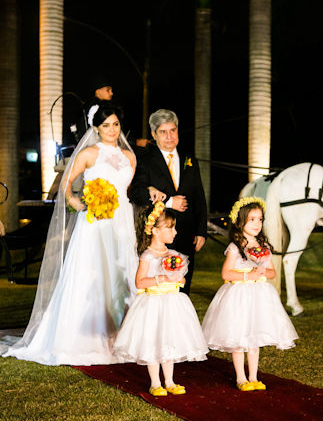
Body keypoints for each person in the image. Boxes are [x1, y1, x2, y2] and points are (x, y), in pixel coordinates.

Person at [0, 104, 139, 364]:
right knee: (94, 275)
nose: (111, 130)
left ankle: (123, 334)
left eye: (115, 124)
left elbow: (129, 190)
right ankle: (89, 337)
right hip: (94, 224)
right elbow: (67, 182)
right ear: (96, 128)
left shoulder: (129, 156)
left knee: (121, 274)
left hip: (121, 221)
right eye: (105, 126)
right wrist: (75, 201)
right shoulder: (89, 153)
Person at [201, 197, 298, 391]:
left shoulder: (264, 246)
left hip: (259, 296)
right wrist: (248, 274)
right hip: (239, 296)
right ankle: (241, 378)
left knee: (254, 338)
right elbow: (226, 273)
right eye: (252, 219)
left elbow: (272, 271)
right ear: (240, 222)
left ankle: (254, 376)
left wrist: (264, 272)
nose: (257, 224)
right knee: (239, 337)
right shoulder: (235, 247)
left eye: (260, 219)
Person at [113, 202, 208, 396]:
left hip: (172, 303)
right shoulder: (148, 256)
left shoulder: (173, 254)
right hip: (153, 304)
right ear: (155, 231)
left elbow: (180, 277)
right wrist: (161, 278)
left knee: (169, 340)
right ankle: (156, 382)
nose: (175, 232)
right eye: (170, 228)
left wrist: (179, 278)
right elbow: (140, 282)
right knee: (153, 341)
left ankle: (170, 380)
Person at [130, 109, 208, 294]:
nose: (169, 136)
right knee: (161, 290)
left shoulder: (190, 161)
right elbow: (136, 193)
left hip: (187, 236)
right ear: (154, 135)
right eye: (163, 132)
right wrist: (168, 203)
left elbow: (199, 198)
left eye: (173, 130)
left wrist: (201, 231)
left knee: (183, 288)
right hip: (158, 238)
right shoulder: (145, 161)